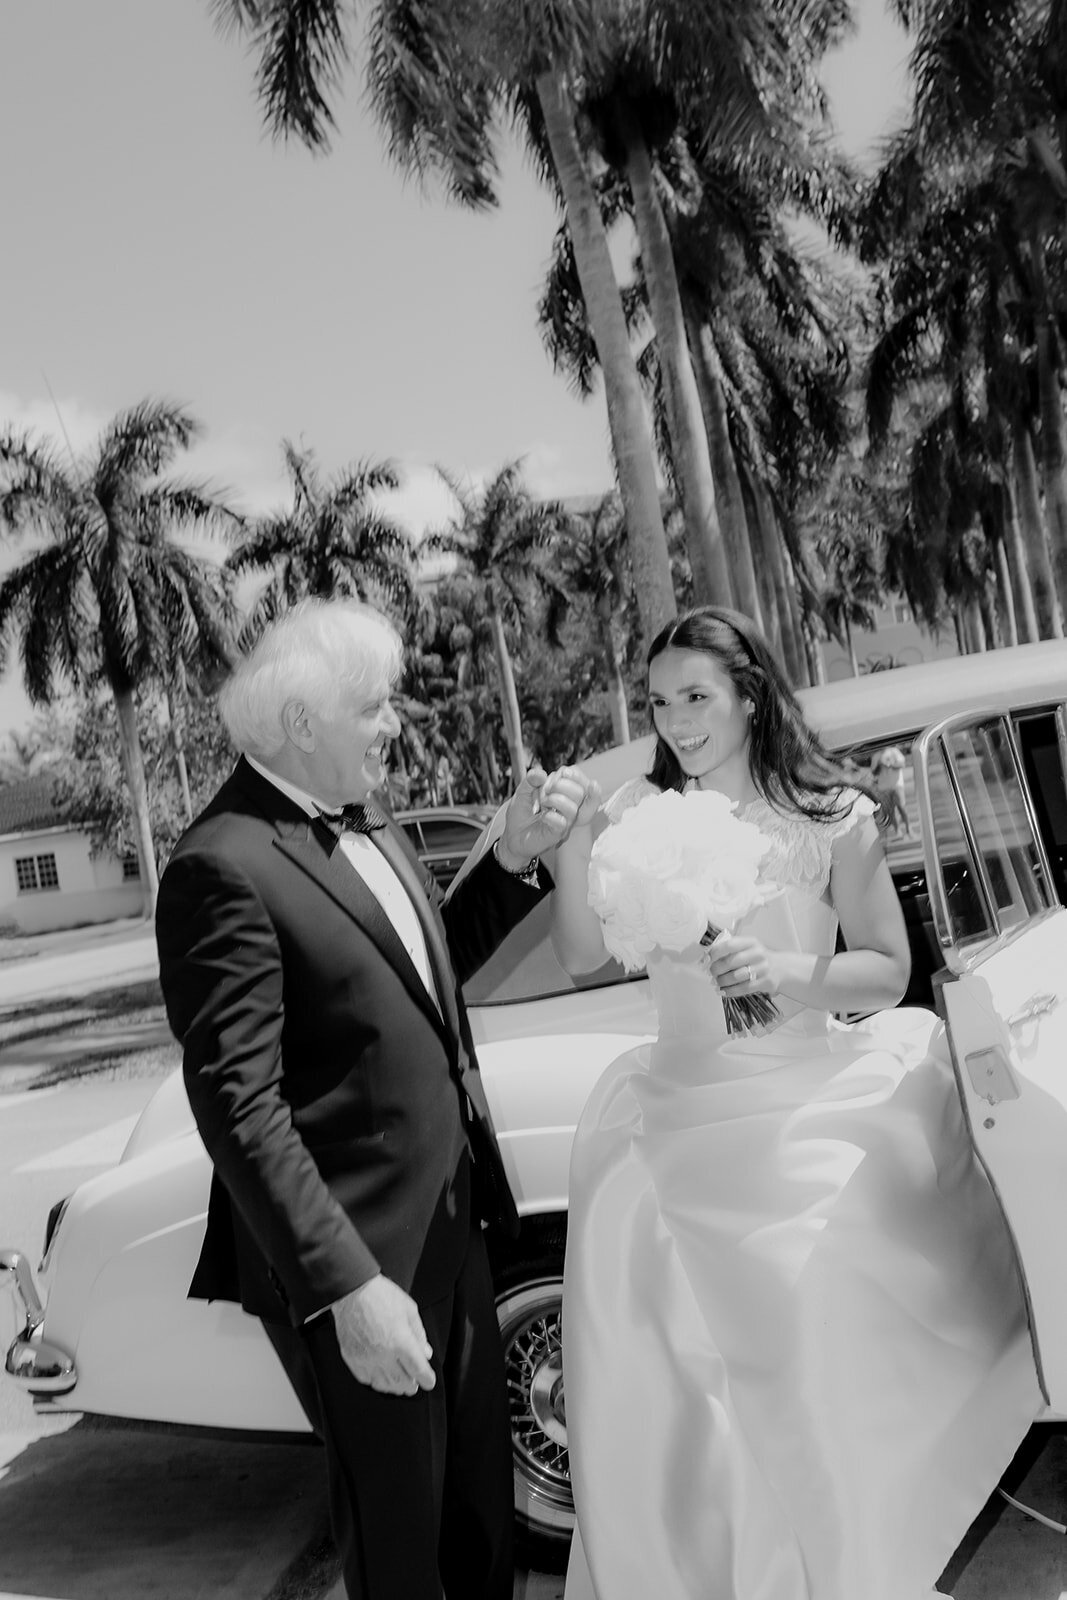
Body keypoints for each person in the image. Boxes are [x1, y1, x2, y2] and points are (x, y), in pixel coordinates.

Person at [548, 606, 1040, 1600]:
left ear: (749, 694)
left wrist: (786, 967)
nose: (678, 720)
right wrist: (565, 851)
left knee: (806, 1363)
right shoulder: (636, 815)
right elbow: (576, 953)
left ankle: (839, 1573)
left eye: (697, 695)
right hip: (674, 1115)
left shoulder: (831, 818)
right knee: (666, 1371)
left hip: (800, 1105)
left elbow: (887, 971)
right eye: (660, 702)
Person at [154, 597, 597, 1600]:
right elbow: (239, 1104)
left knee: (479, 1525)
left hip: (452, 1232)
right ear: (302, 722)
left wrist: (512, 858)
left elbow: (414, 980)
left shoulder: (371, 820)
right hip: (360, 1267)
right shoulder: (218, 864)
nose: (393, 721)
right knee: (405, 1549)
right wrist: (349, 1288)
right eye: (373, 704)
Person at [871, 743, 912, 837]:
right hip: (883, 787)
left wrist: (890, 765)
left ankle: (908, 828)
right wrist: (879, 765)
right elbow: (874, 772)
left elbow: (902, 764)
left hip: (897, 784)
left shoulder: (894, 751)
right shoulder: (876, 755)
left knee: (902, 807)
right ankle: (898, 830)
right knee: (891, 810)